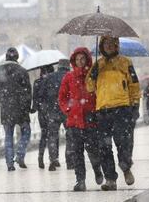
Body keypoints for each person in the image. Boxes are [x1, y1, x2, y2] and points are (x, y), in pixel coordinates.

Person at [86, 36, 141, 191]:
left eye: (112, 44)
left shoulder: (125, 62)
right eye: (106, 44)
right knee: (104, 146)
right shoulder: (98, 64)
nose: (109, 46)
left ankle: (126, 167)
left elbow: (134, 84)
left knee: (123, 142)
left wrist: (135, 104)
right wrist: (93, 74)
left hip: (122, 108)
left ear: (117, 45)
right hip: (102, 110)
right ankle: (110, 178)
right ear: (102, 46)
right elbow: (89, 87)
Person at [59, 47, 104, 191]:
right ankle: (80, 180)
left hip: (91, 118)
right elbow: (62, 97)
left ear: (87, 60)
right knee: (77, 152)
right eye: (77, 59)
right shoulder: (69, 77)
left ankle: (97, 169)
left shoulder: (93, 76)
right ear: (74, 61)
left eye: (82, 59)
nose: (80, 62)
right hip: (74, 121)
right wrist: (68, 109)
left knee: (93, 150)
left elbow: (100, 94)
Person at [0, 47, 32, 171]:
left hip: (7, 109)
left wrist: (4, 98)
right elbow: (28, 91)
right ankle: (20, 154)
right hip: (21, 108)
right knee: (26, 131)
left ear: (6, 57)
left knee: (8, 135)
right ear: (17, 58)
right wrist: (27, 106)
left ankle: (9, 163)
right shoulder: (22, 71)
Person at [40, 59, 72, 171]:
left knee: (52, 135)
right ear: (68, 66)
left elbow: (41, 93)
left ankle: (53, 159)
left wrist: (45, 107)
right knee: (70, 135)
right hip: (67, 110)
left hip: (52, 111)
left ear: (59, 66)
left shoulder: (49, 77)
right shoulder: (71, 76)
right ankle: (70, 160)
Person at [31, 65, 55, 169]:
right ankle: (52, 161)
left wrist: (34, 108)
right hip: (51, 111)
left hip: (42, 112)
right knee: (52, 135)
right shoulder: (52, 81)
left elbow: (35, 98)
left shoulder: (37, 82)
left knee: (44, 135)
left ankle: (40, 158)